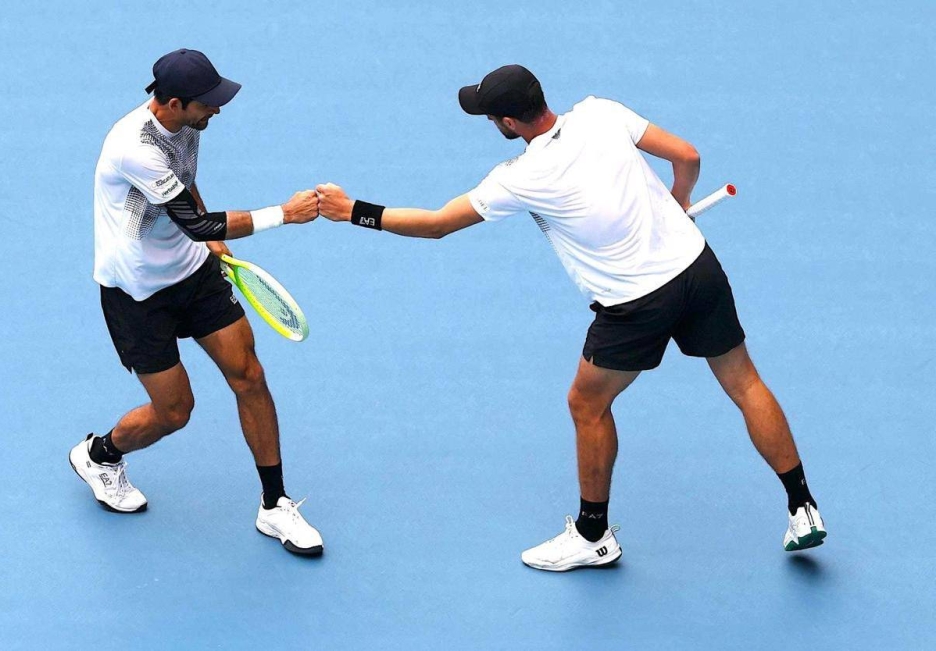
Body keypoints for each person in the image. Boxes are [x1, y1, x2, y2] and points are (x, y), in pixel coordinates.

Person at [316, 64, 825, 571]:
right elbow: (688, 155)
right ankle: (802, 506)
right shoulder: (601, 112)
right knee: (744, 383)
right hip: (697, 269)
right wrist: (679, 200)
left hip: (635, 306)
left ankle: (593, 534)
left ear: (508, 124)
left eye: (491, 116)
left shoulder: (518, 178)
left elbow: (436, 225)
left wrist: (352, 210)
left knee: (587, 403)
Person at [71, 48, 324, 556]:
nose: (216, 111)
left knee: (249, 376)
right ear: (173, 102)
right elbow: (198, 222)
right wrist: (284, 215)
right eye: (206, 104)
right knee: (175, 412)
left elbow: (186, 189)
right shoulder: (132, 148)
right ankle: (100, 455)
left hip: (193, 273)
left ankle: (274, 504)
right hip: (137, 294)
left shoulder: (186, 125)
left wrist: (208, 242)